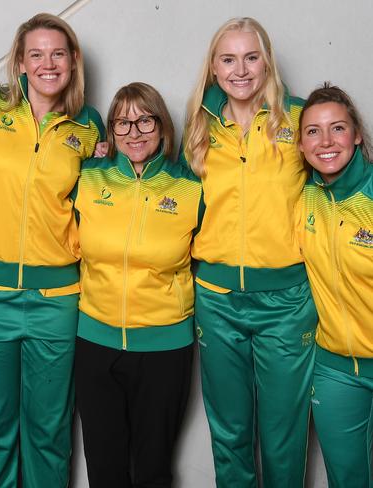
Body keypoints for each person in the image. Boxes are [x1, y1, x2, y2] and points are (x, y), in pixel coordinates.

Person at [0, 13, 104, 487]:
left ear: (73, 60)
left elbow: (111, 197)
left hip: (57, 299)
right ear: (20, 61)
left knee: (49, 431)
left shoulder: (89, 127)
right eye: (35, 54)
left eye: (58, 53)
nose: (47, 63)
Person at [180, 17, 318, 487]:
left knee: (283, 435)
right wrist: (107, 155)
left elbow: (342, 170)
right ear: (215, 69)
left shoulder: (299, 119)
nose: (241, 69)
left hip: (285, 302)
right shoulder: (200, 126)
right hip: (217, 300)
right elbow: (170, 195)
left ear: (267, 62)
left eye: (251, 56)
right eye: (229, 59)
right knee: (230, 434)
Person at [73, 82, 202, 488]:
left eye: (144, 119)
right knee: (106, 471)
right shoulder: (88, 178)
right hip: (96, 343)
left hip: (165, 349)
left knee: (153, 471)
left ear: (162, 126)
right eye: (123, 123)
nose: (134, 131)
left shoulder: (192, 186)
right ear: (110, 131)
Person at [297, 84, 373, 487]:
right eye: (312, 131)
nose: (325, 142)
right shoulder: (303, 197)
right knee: (346, 479)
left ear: (357, 134)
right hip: (335, 369)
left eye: (337, 128)